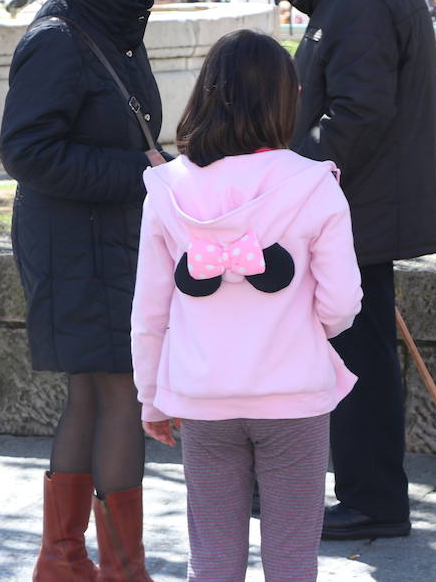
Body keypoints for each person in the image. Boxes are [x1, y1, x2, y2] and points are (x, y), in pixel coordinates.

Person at [131, 29, 363, 582]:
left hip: (204, 395)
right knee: (291, 559)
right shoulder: (313, 183)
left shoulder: (166, 188)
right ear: (287, 98)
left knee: (210, 557)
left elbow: (149, 311)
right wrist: (312, 324)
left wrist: (151, 397)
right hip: (293, 393)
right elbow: (341, 303)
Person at [0, 0, 175, 582]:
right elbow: (26, 151)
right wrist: (141, 173)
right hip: (73, 241)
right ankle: (113, 567)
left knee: (98, 394)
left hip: (105, 237)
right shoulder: (60, 35)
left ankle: (67, 560)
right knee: (116, 394)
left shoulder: (112, 26)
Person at [282, 0, 436, 540]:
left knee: (360, 362)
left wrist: (292, 178)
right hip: (355, 207)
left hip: (358, 211)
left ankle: (373, 500)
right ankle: (358, 492)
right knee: (354, 354)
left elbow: (358, 113)